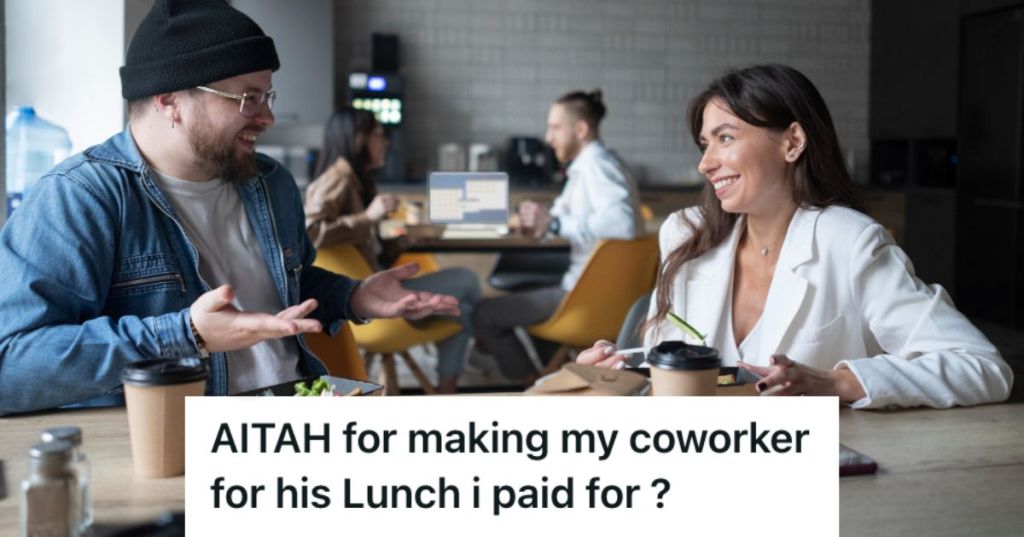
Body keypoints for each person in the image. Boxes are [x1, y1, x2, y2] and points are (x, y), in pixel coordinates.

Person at [0, 0, 459, 415]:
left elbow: (276, 288)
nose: (267, 117)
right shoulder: (80, 199)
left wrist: (352, 295)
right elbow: (12, 367)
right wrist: (187, 335)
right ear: (170, 101)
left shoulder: (269, 182)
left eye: (267, 96)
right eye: (247, 98)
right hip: (176, 447)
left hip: (294, 417)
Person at [578, 64, 1013, 409]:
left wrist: (838, 382)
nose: (705, 164)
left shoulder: (850, 241)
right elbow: (662, 374)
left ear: (793, 142)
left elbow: (982, 367)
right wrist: (615, 372)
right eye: (703, 145)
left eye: (725, 138)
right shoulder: (687, 236)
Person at [304, 109, 481, 393]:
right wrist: (369, 217)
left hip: (374, 291)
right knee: (467, 280)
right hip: (365, 300)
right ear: (359, 139)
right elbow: (310, 233)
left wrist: (404, 242)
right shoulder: (337, 179)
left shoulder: (357, 180)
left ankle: (447, 390)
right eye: (379, 135)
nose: (386, 142)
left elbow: (364, 245)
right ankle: (469, 364)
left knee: (463, 311)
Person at [474, 89, 643, 386]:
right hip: (598, 295)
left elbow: (623, 222)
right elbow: (559, 216)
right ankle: (549, 378)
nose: (548, 137)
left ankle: (532, 386)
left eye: (555, 128)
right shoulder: (585, 168)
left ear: (580, 129)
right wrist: (541, 222)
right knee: (525, 293)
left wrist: (552, 225)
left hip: (586, 298)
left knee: (485, 313)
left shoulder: (597, 166)